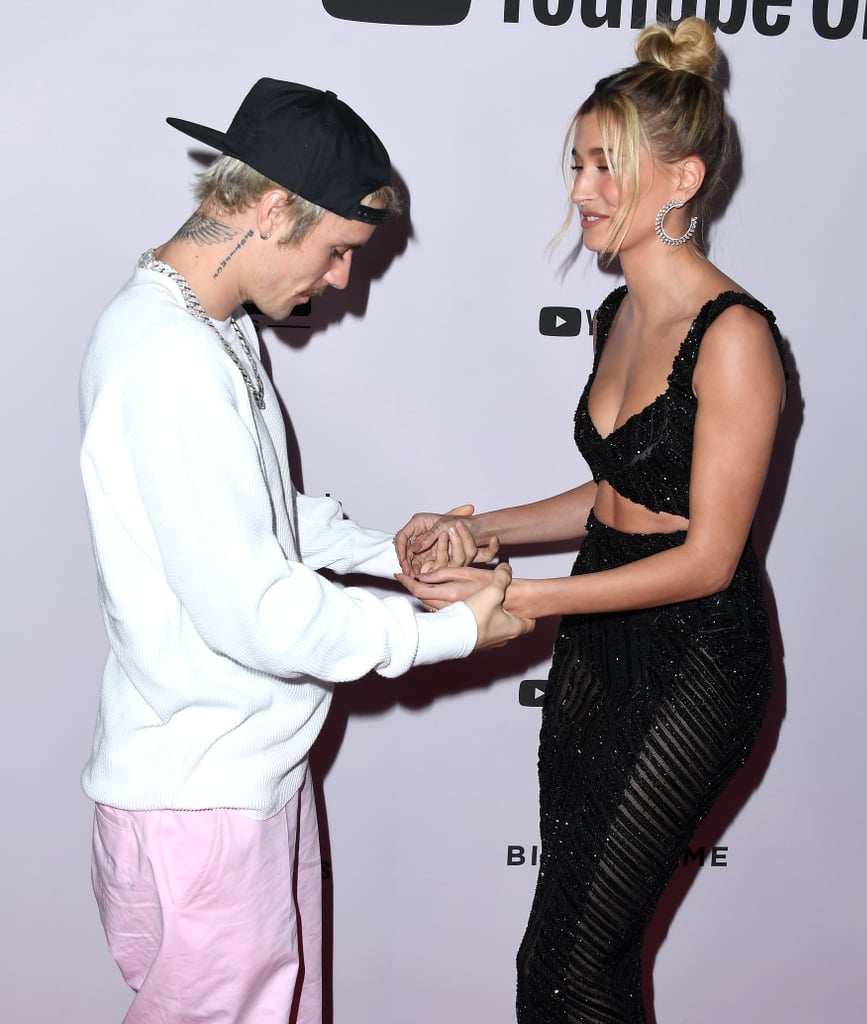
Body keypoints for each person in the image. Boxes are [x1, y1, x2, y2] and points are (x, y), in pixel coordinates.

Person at [78, 78, 532, 1024]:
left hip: (243, 783)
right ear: (273, 207)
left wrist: (389, 550)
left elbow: (260, 514)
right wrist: (444, 631)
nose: (340, 284)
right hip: (204, 804)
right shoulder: (167, 358)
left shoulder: (213, 329)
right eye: (336, 254)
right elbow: (259, 613)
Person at [394, 18, 787, 1023]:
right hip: (600, 644)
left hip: (697, 658)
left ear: (684, 181)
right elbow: (614, 497)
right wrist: (480, 533)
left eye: (609, 167)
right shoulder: (618, 317)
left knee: (571, 961)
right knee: (566, 952)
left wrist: (523, 595)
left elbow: (704, 555)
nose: (582, 192)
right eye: (577, 164)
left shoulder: (734, 338)